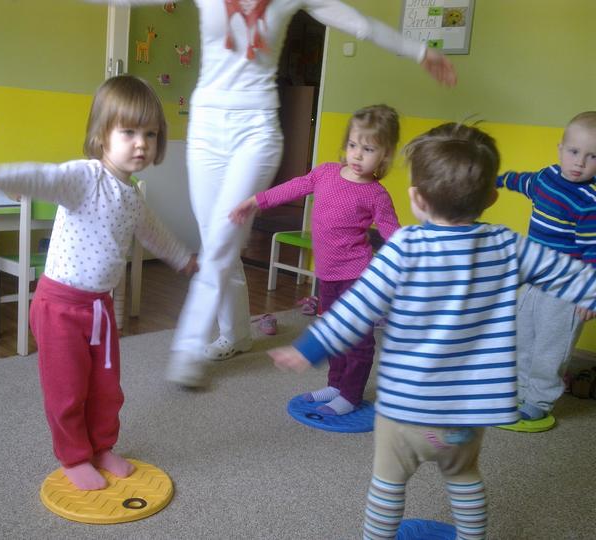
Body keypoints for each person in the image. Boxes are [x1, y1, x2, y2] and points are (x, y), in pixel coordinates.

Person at [93, 0, 457, 388]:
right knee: (217, 241)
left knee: (222, 239)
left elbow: (360, 24)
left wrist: (420, 51)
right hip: (206, 128)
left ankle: (187, 347)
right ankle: (236, 333)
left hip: (257, 129)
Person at [268, 122, 596, 539]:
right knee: (465, 478)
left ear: (417, 199)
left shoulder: (404, 246)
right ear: (492, 198)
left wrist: (309, 348)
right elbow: (573, 276)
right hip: (466, 413)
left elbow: (356, 307)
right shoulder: (507, 244)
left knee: (388, 483)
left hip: (406, 408)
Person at [0, 75, 198, 491]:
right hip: (59, 307)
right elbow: (43, 177)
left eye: (151, 134)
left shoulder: (133, 197)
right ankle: (73, 457)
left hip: (100, 309)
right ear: (102, 135)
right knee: (67, 391)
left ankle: (102, 447)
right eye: (128, 132)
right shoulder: (85, 177)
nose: (141, 143)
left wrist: (183, 259)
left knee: (106, 389)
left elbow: (155, 233)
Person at [230, 104, 401, 415]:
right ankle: (336, 384)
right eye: (353, 145)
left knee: (357, 340)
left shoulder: (376, 194)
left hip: (357, 276)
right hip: (327, 275)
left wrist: (414, 264)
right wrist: (257, 201)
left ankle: (350, 394)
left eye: (368, 149)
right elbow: (294, 187)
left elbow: (394, 235)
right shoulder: (325, 173)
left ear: (384, 156)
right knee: (332, 331)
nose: (357, 155)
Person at [496, 111, 596, 424]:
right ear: (560, 149)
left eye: (592, 157)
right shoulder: (546, 178)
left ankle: (539, 399)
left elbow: (593, 252)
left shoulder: (589, 200)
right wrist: (495, 179)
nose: (580, 163)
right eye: (574, 152)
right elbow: (521, 181)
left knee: (551, 347)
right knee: (523, 336)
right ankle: (519, 390)